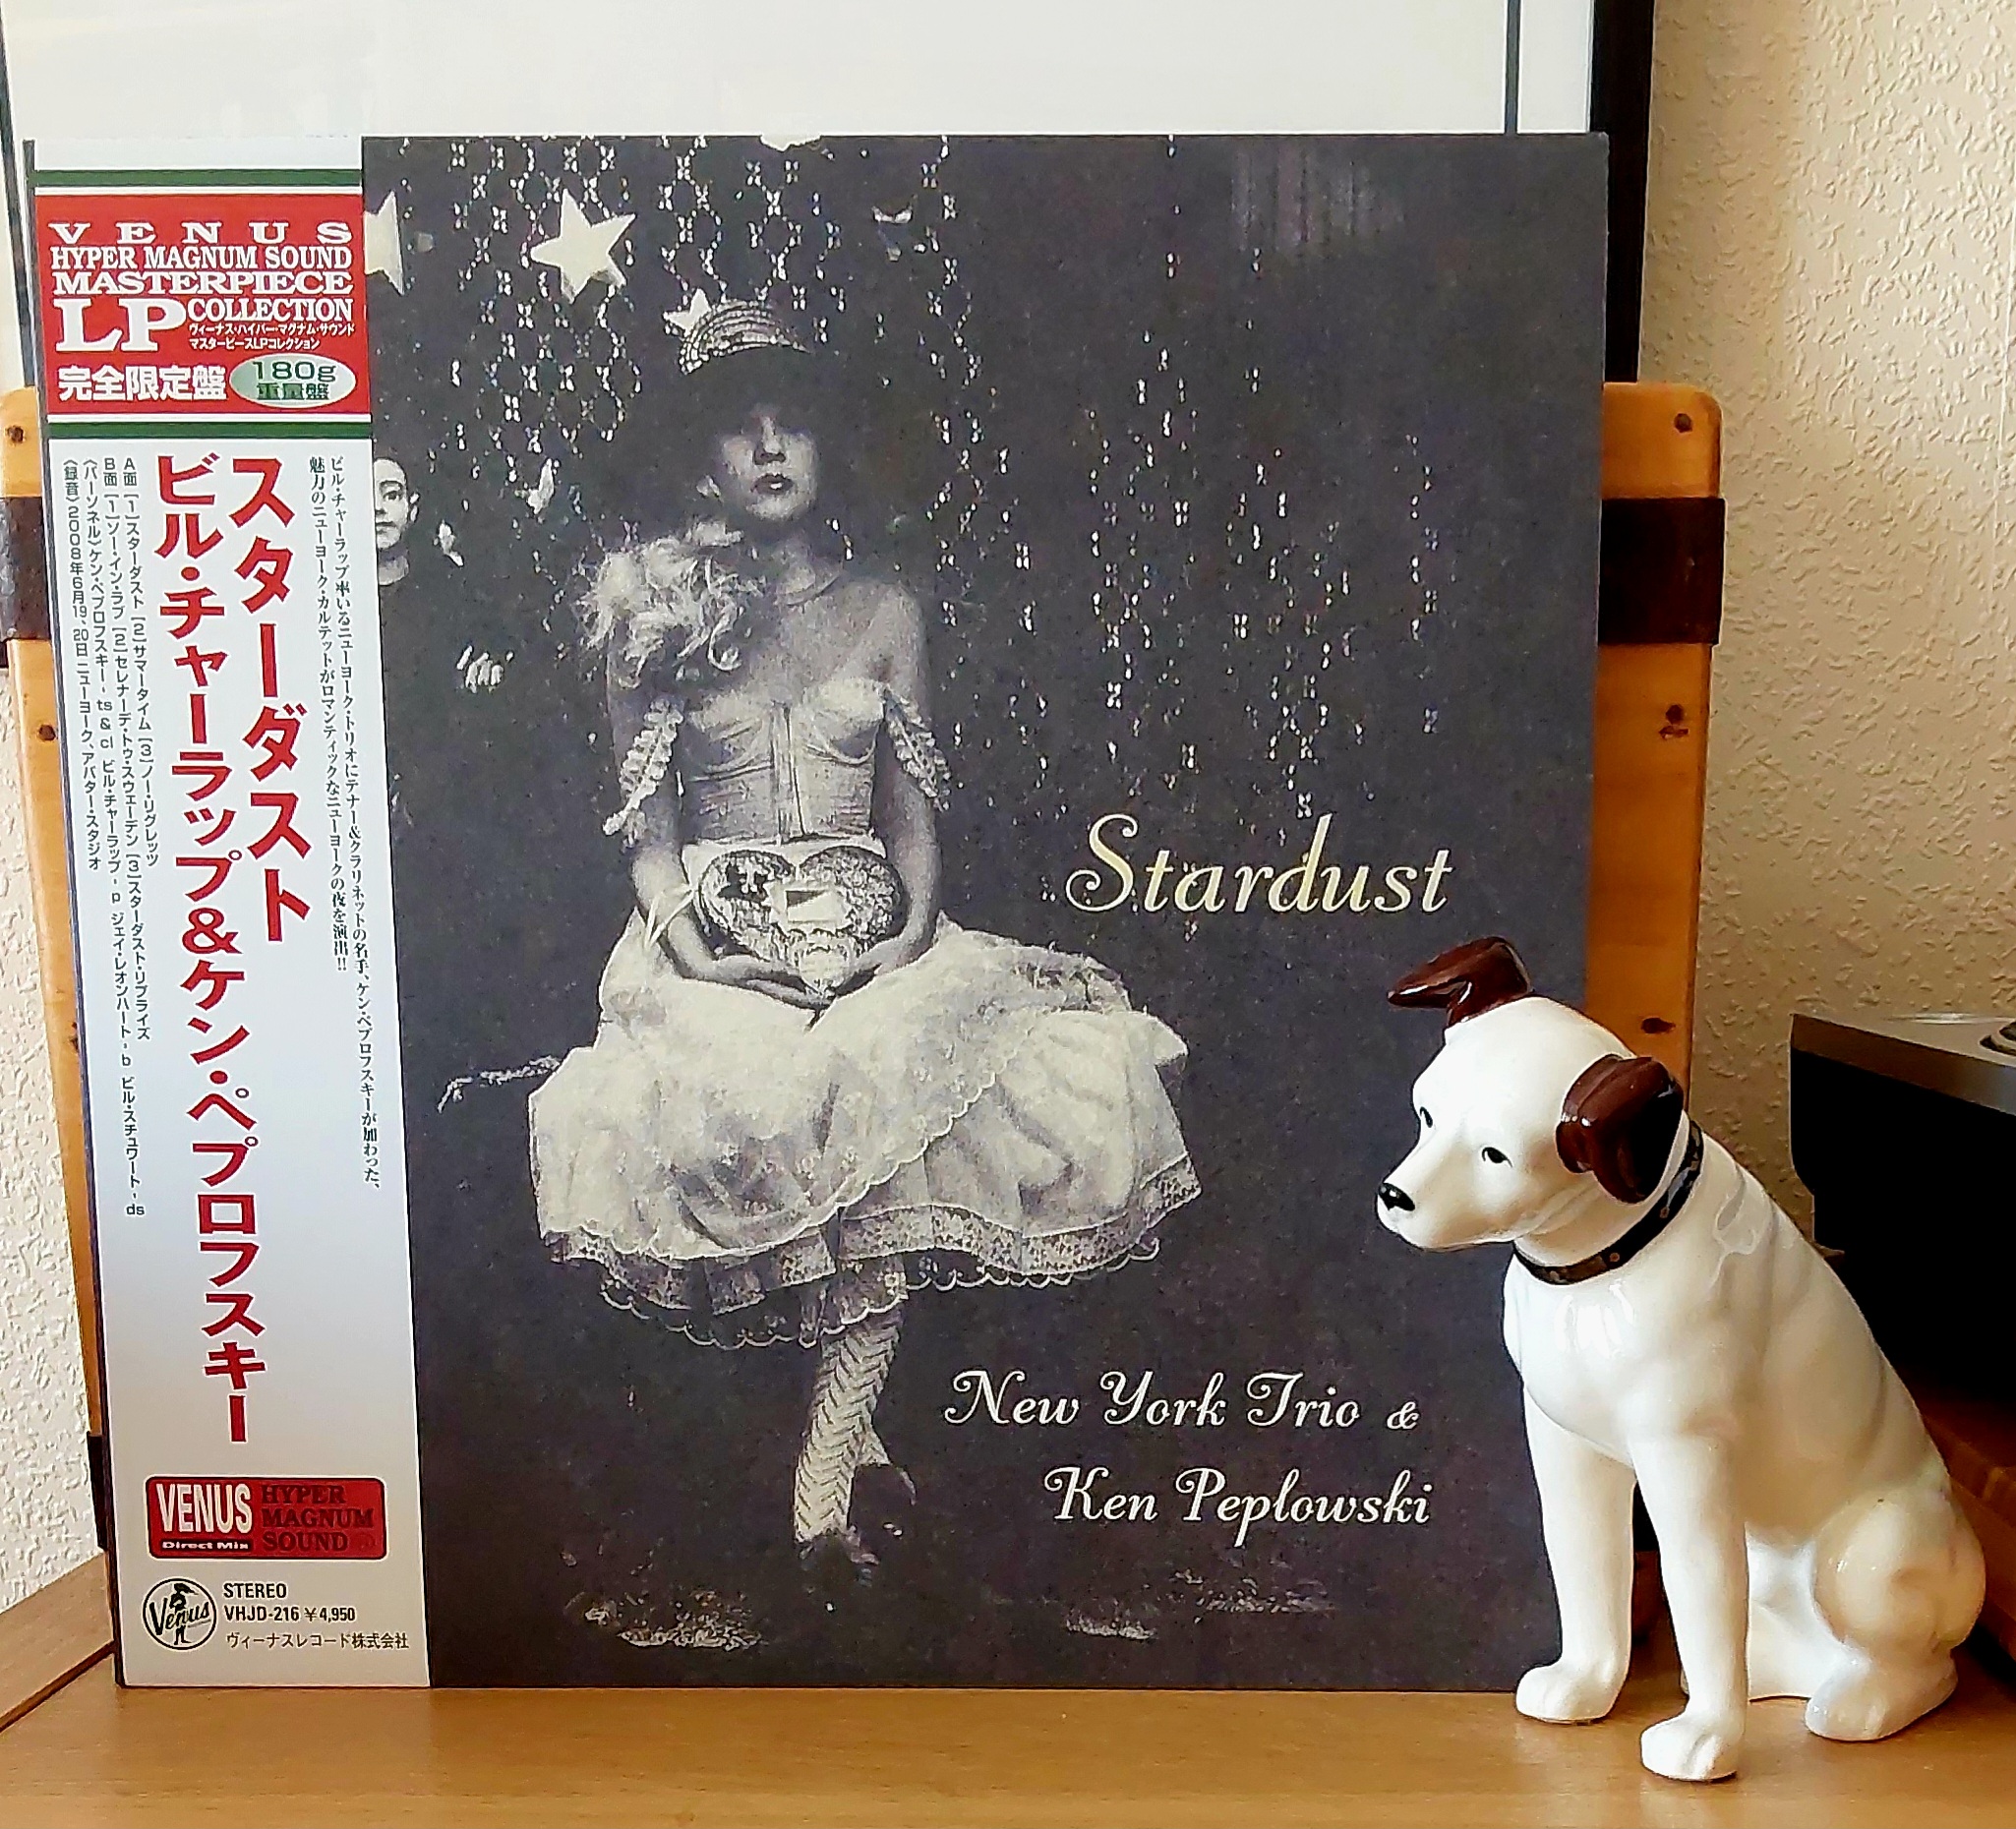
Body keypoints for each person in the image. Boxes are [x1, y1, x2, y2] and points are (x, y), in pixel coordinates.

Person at [529, 299, 1199, 1590]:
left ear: (828, 447)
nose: (770, 448)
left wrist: (905, 943)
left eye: (793, 425)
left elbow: (910, 819)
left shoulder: (887, 608)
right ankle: (847, 1464)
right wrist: (699, 956)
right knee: (770, 1103)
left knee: (895, 1075)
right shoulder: (651, 618)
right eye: (740, 429)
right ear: (701, 460)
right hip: (709, 942)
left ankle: (824, 1488)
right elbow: (648, 840)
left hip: (873, 931)